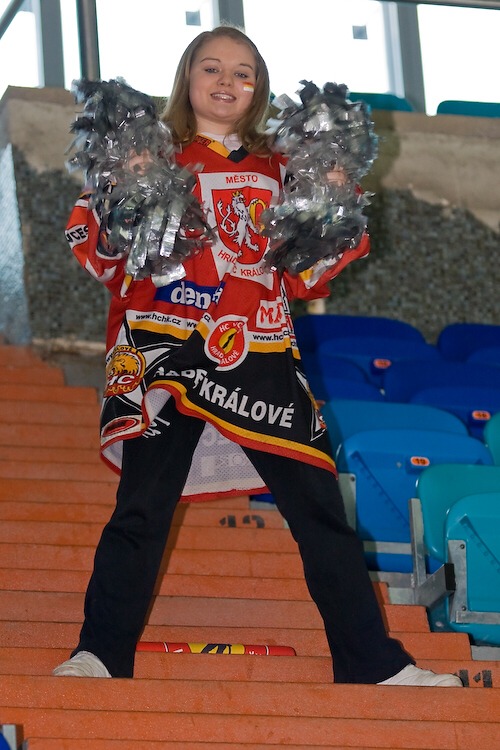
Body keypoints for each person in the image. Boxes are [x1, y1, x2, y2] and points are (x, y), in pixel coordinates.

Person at [54, 25, 462, 687]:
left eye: (242, 73)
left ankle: (371, 662)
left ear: (259, 89)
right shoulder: (147, 154)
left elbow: (305, 274)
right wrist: (126, 199)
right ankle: (99, 652)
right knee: (141, 508)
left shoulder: (284, 169)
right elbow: (102, 252)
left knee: (320, 511)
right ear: (187, 78)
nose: (226, 81)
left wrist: (332, 203)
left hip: (261, 356)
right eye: (211, 67)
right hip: (167, 353)